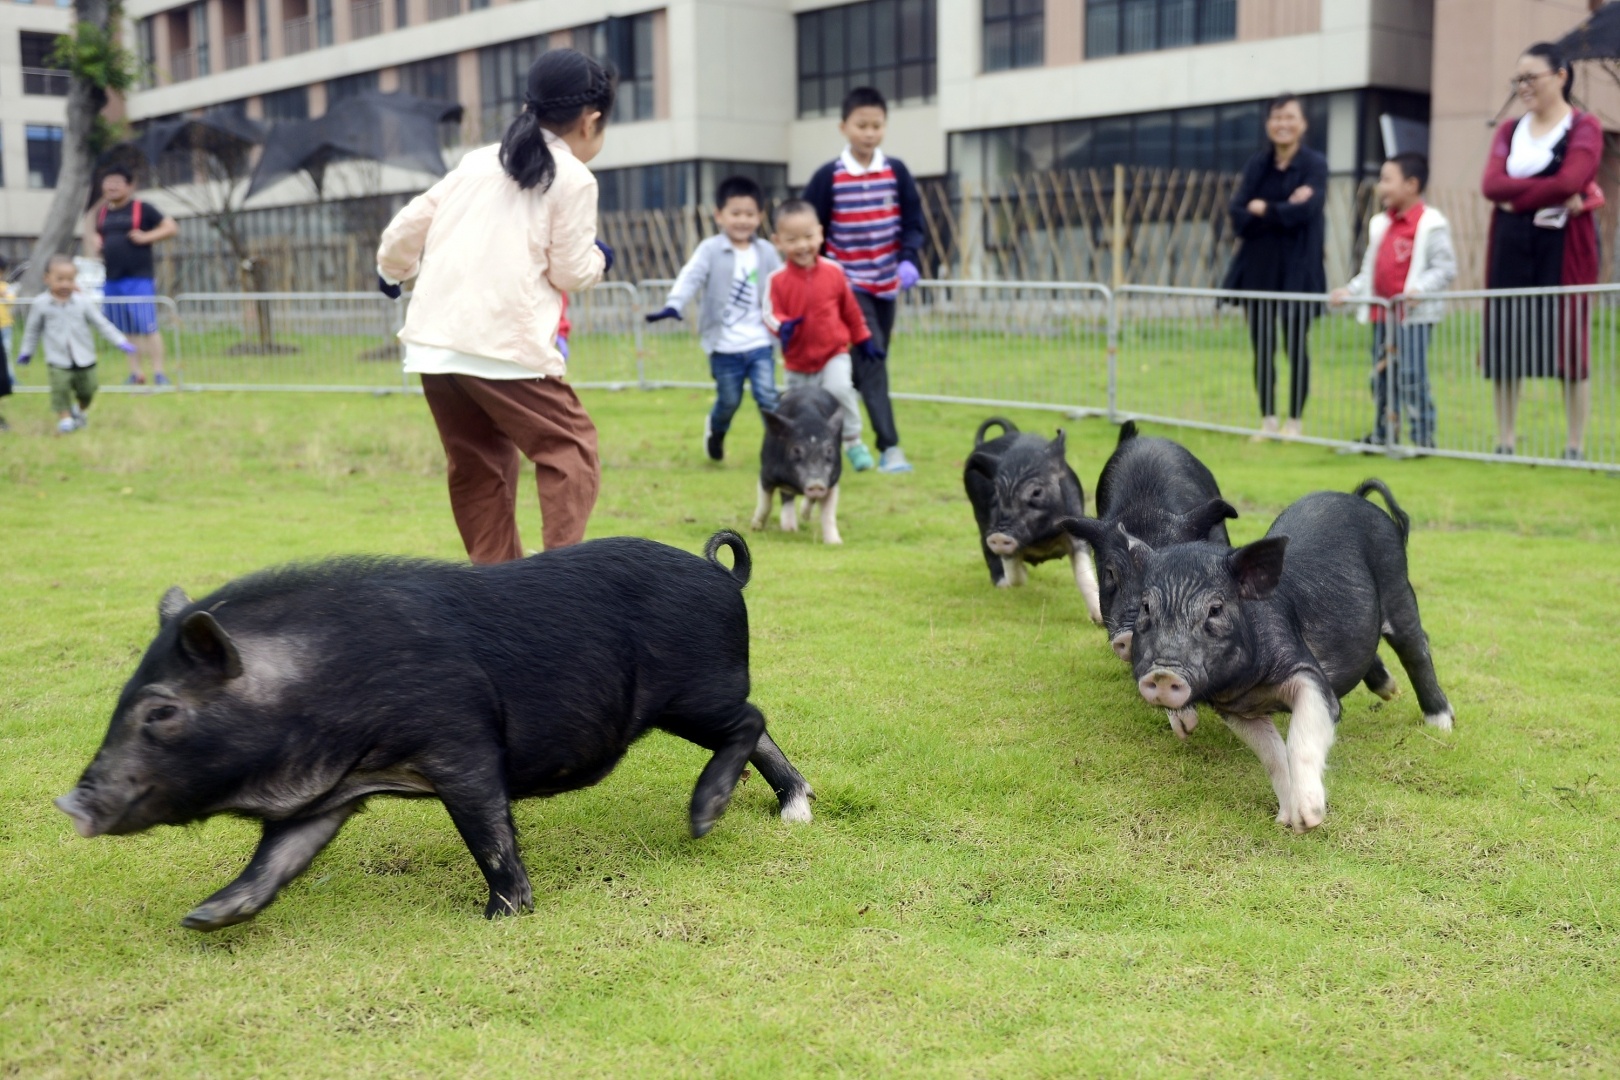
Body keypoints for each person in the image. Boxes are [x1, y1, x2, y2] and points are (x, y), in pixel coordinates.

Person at [377, 48, 615, 562]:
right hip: (502, 345)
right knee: (569, 448)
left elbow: (408, 225)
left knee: (479, 467)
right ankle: (563, 582)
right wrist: (602, 259)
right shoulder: (573, 177)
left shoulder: (478, 161)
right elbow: (571, 271)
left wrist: (392, 272)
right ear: (591, 119)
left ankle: (499, 594)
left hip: (434, 345)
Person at [1480, 42, 1604, 461]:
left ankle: (1574, 445)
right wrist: (1550, 194)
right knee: (1506, 337)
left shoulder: (1584, 127)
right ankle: (1506, 439)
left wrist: (1517, 200)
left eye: (1531, 78)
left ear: (1560, 76)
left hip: (1564, 247)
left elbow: (1573, 178)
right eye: (1518, 80)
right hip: (1511, 246)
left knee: (1569, 340)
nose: (1523, 87)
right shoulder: (1508, 131)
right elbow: (1491, 186)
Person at [801, 85, 924, 474]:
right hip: (848, 287)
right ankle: (890, 448)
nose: (869, 133)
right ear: (844, 127)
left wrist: (908, 259)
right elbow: (809, 228)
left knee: (852, 368)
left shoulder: (896, 172)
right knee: (875, 362)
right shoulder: (829, 177)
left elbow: (913, 223)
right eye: (862, 125)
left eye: (877, 125)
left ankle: (830, 433)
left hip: (888, 285)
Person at [646, 175, 783, 462]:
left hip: (760, 342)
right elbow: (691, 275)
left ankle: (778, 449)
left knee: (768, 396)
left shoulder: (767, 252)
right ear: (719, 215)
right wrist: (674, 304)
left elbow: (783, 285)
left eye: (749, 214)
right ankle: (716, 430)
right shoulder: (711, 249)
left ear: (760, 216)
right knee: (729, 400)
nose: (742, 220)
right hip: (724, 346)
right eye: (735, 213)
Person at [1330, 153, 1457, 449]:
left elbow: (1445, 267)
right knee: (1382, 376)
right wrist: (1351, 290)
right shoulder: (1379, 224)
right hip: (1381, 316)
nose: (1380, 187)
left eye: (1387, 180)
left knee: (1411, 375)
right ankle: (1383, 433)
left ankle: (1423, 437)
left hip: (1413, 316)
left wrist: (1420, 289)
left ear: (1411, 184)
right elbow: (1369, 270)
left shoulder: (1430, 223)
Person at [1222, 93, 1328, 441]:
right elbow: (1237, 214)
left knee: (1296, 345)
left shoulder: (1314, 165)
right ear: (1269, 124)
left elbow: (1306, 212)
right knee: (1262, 345)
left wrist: (1263, 209)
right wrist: (1282, 209)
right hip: (1259, 269)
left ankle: (1294, 422)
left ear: (1303, 124)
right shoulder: (1257, 164)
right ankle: (1267, 419)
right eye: (1276, 117)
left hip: (1299, 268)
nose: (1283, 124)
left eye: (1290, 117)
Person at [764, 199, 875, 455]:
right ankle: (803, 449)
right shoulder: (776, 280)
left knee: (839, 389)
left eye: (808, 236)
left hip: (833, 353)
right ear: (777, 241)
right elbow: (769, 313)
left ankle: (852, 440)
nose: (802, 245)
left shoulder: (834, 272)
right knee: (800, 406)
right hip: (797, 361)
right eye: (792, 240)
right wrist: (783, 327)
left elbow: (850, 310)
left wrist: (863, 339)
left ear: (821, 233)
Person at [16, 255, 137, 434]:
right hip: (57, 359)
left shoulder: (83, 302)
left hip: (84, 357)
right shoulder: (41, 304)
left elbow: (101, 324)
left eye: (70, 280)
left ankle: (79, 411)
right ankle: (65, 419)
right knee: (60, 389)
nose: (65, 284)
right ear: (47, 278)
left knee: (89, 389)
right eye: (60, 279)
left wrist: (121, 341)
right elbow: (32, 331)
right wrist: (26, 352)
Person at [84, 165, 177, 386]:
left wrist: (147, 237)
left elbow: (171, 227)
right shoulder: (102, 212)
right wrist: (96, 243)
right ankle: (136, 373)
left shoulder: (142, 208)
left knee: (147, 326)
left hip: (138, 278)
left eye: (117, 181)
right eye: (108, 182)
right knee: (126, 329)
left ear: (129, 185)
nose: (111, 186)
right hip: (112, 278)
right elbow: (94, 235)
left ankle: (159, 373)